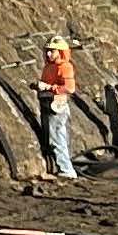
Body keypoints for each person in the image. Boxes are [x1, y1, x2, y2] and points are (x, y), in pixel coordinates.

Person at [37, 33, 83, 179]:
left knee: (57, 138)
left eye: (53, 51)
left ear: (61, 52)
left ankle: (66, 170)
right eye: (47, 50)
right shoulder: (48, 67)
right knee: (51, 138)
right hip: (46, 103)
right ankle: (57, 167)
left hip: (56, 106)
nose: (49, 53)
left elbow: (69, 88)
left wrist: (49, 88)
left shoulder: (65, 67)